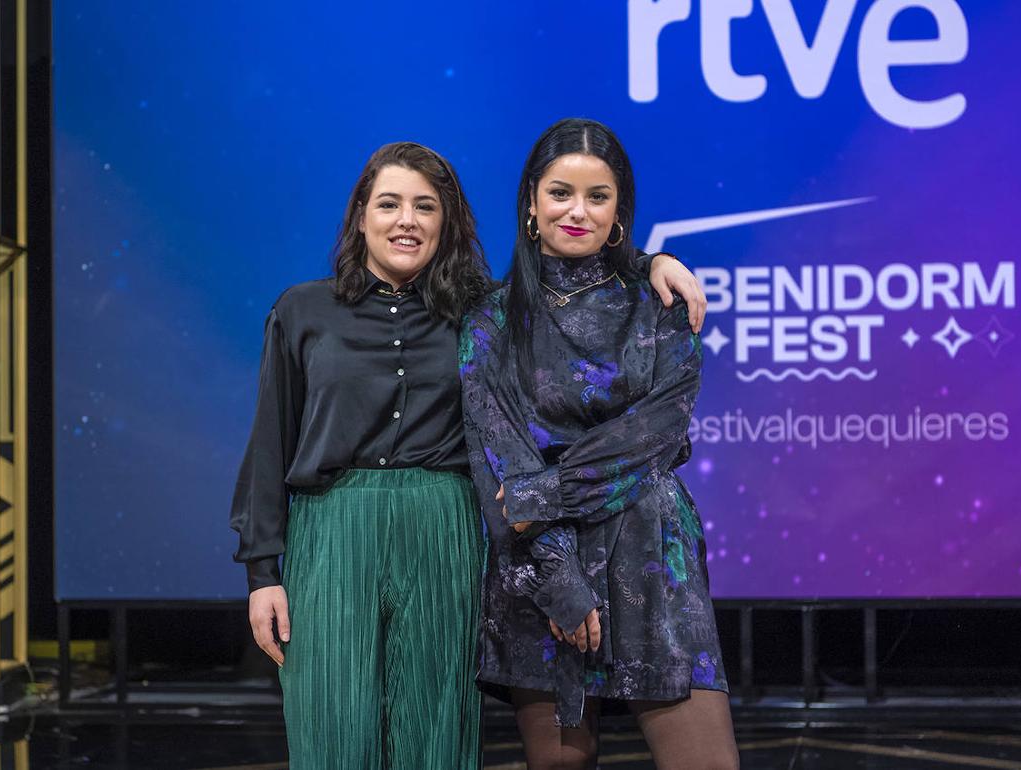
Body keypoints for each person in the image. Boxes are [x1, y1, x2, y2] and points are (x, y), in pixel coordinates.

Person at [229, 140, 707, 769]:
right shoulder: (302, 311)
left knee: (435, 733)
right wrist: (263, 572)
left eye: (425, 207)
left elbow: (573, 263)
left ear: (447, 222)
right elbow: (270, 444)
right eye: (390, 204)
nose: (407, 220)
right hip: (333, 529)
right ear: (360, 216)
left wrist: (651, 261)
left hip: (443, 523)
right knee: (331, 727)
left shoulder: (483, 311)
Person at [459, 119, 739, 770]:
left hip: (651, 560)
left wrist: (537, 495)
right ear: (531, 204)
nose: (576, 211)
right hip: (539, 563)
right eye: (560, 193)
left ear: (619, 214)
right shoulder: (488, 322)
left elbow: (655, 436)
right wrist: (560, 584)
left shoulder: (662, 302)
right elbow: (498, 453)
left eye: (597, 196)